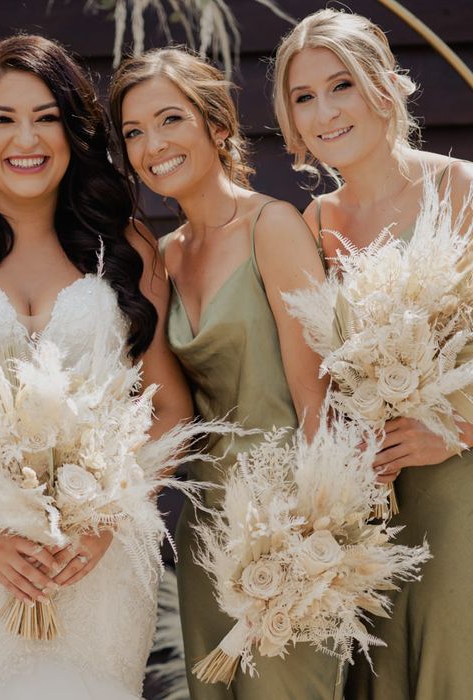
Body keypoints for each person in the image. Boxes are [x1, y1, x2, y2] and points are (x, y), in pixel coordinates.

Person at [0, 35, 192, 700]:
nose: (28, 139)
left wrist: (107, 517)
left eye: (47, 117)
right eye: (3, 119)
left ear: (73, 132)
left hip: (95, 558)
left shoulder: (126, 245)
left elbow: (170, 408)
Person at [109, 48, 336, 700]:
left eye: (170, 119)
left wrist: (308, 540)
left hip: (291, 531)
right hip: (206, 531)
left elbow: (319, 403)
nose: (152, 146)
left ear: (217, 125)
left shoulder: (275, 226)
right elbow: (165, 406)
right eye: (133, 132)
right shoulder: (164, 256)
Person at [273, 9, 473, 699]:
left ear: (385, 87)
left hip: (463, 488)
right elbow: (316, 380)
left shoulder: (464, 190)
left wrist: (457, 431)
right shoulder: (313, 224)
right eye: (303, 97)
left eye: (342, 85)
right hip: (374, 513)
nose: (324, 111)